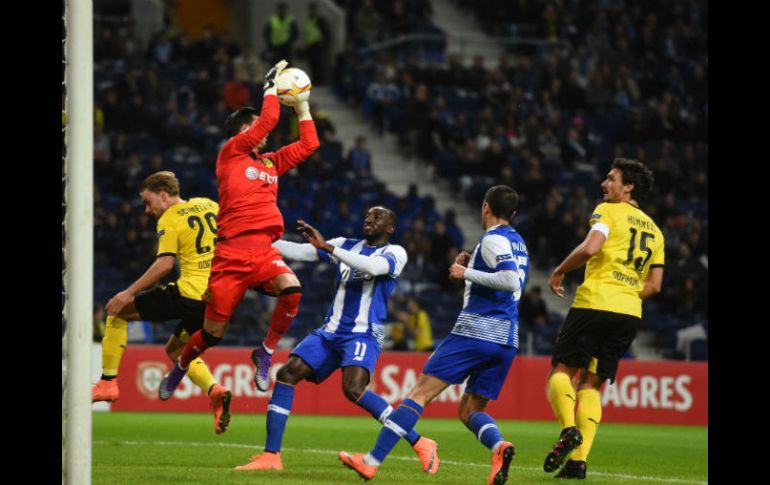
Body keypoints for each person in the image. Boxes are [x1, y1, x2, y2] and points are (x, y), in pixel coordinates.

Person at [339, 185, 529, 485]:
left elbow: (509, 280)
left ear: (485, 207)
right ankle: (498, 446)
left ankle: (371, 461)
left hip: (476, 331)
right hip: (507, 339)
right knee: (469, 410)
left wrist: (465, 273)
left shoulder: (493, 239)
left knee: (419, 394)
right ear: (514, 214)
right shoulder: (519, 242)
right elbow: (507, 280)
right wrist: (473, 268)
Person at [158, 60, 319, 400]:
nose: (263, 129)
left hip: (262, 251)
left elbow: (309, 146)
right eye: (253, 125)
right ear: (242, 130)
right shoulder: (230, 154)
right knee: (212, 334)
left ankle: (265, 351)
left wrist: (303, 106)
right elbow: (271, 118)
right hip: (230, 254)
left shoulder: (271, 162)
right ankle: (183, 365)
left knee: (293, 290)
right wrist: (270, 86)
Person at [235, 207, 439, 474]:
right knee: (287, 373)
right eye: (367, 215)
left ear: (390, 228)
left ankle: (420, 442)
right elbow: (298, 251)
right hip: (330, 331)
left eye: (377, 217)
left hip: (363, 333)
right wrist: (251, 242)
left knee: (353, 389)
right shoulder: (346, 244)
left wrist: (329, 250)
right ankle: (271, 456)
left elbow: (372, 267)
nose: (369, 218)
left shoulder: (395, 253)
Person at [543, 158, 664, 479]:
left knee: (562, 372)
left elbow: (591, 246)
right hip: (628, 314)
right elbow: (654, 286)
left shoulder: (608, 211)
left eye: (611, 179)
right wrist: (625, 296)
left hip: (594, 302)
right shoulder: (656, 231)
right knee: (592, 385)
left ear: (628, 188)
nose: (603, 184)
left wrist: (559, 271)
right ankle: (578, 462)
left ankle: (569, 430)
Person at [91, 171, 232, 434]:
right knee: (176, 350)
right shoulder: (210, 205)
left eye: (148, 201)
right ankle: (215, 390)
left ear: (163, 195)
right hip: (217, 299)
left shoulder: (170, 217)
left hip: (189, 293)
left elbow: (165, 264)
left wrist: (127, 293)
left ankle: (108, 381)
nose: (147, 209)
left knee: (118, 311)